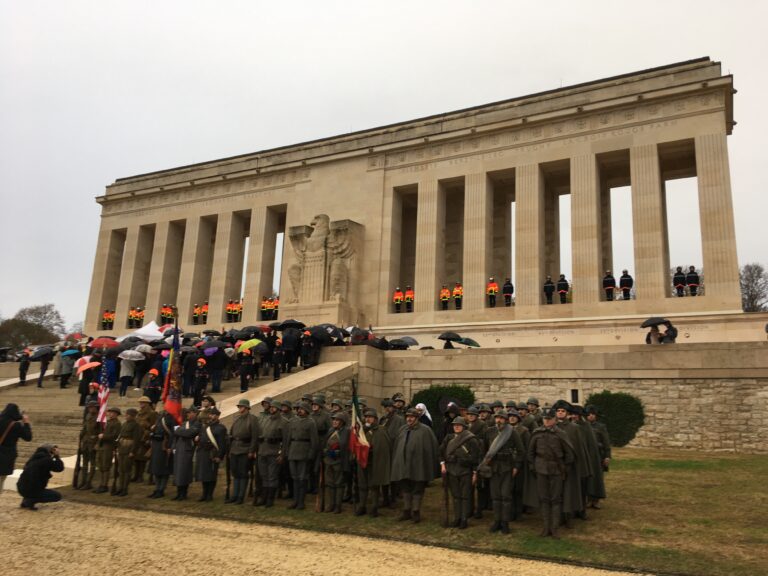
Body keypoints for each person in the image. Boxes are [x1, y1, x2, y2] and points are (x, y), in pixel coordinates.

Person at [527, 407, 574, 538]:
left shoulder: (561, 433)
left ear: (554, 419)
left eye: (549, 419)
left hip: (556, 470)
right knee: (544, 499)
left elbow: (569, 454)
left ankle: (554, 528)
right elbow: (530, 452)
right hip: (541, 469)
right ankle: (546, 527)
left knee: (555, 500)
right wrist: (533, 467)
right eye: (545, 419)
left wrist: (564, 469)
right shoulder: (536, 433)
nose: (547, 421)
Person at [390, 407, 439, 523]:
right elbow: (397, 447)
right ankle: (406, 511)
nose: (409, 419)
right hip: (403, 465)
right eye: (407, 417)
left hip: (418, 465)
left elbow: (431, 449)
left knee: (417, 488)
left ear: (417, 418)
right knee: (405, 488)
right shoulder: (402, 429)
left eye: (411, 417)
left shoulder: (425, 431)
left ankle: (416, 512)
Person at [479, 410, 525, 534]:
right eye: (497, 418)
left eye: (501, 418)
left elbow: (520, 451)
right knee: (495, 496)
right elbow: (484, 451)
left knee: (506, 496)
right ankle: (496, 521)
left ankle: (505, 523)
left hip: (507, 467)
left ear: (505, 420)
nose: (499, 420)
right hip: (493, 468)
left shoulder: (512, 432)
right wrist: (485, 465)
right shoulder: (489, 432)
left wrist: (516, 466)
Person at [440, 416, 482, 529]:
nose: (456, 427)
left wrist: (474, 473)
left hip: (465, 472)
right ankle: (457, 518)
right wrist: (443, 464)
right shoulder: (448, 438)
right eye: (455, 425)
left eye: (459, 425)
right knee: (456, 496)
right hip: (452, 471)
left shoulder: (471, 439)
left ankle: (464, 519)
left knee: (465, 497)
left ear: (464, 427)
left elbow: (475, 458)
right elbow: (440, 452)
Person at [357, 408, 391, 517]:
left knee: (374, 486)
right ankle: (362, 506)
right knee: (362, 485)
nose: (367, 419)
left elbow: (383, 448)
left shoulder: (381, 431)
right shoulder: (361, 430)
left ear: (375, 419)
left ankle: (374, 508)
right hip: (363, 462)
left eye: (370, 417)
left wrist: (371, 450)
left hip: (374, 462)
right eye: (366, 417)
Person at [285, 401, 319, 510]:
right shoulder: (292, 421)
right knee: (294, 478)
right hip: (293, 451)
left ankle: (301, 502)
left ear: (307, 411)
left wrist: (311, 454)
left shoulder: (311, 423)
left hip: (304, 452)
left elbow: (314, 441)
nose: (299, 410)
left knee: (302, 478)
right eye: (299, 408)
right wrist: (286, 451)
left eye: (302, 409)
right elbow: (288, 439)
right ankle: (295, 501)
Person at [227, 399, 260, 505]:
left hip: (245, 449)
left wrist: (251, 450)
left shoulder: (252, 419)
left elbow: (255, 437)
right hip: (235, 448)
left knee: (243, 474)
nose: (239, 408)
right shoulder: (236, 418)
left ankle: (241, 496)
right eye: (239, 406)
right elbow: (231, 434)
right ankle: (235, 495)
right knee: (235, 473)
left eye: (241, 406)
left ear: (246, 408)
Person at [256, 400, 285, 508]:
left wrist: (281, 454)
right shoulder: (266, 420)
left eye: (274, 407)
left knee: (272, 476)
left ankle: (270, 499)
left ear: (278, 409)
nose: (272, 409)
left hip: (274, 452)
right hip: (263, 450)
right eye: (271, 407)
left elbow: (285, 441)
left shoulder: (283, 422)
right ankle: (264, 497)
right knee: (264, 476)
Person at [17, 444, 64, 510]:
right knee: (57, 496)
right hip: (33, 489)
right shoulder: (47, 460)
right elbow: (59, 468)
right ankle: (30, 501)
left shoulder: (33, 458)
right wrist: (57, 456)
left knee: (32, 488)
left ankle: (26, 499)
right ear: (50, 451)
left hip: (21, 488)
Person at [196, 407, 227, 501]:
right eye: (211, 414)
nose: (212, 416)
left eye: (214, 415)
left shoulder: (221, 428)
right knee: (203, 475)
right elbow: (202, 437)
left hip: (212, 453)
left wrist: (219, 456)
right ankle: (204, 494)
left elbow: (222, 444)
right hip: (203, 453)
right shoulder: (206, 427)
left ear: (218, 416)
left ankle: (210, 495)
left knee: (211, 475)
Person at [0, 403, 32, 493]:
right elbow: (28, 437)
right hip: (6, 456)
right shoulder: (16, 425)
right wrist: (26, 423)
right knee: (1, 480)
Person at [322, 411, 350, 513]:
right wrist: (326, 451)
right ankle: (331, 505)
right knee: (329, 483)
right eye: (333, 419)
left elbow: (347, 447)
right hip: (328, 460)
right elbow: (325, 443)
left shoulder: (347, 432)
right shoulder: (330, 430)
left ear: (342, 422)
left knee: (339, 484)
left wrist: (339, 452)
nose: (334, 421)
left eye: (337, 420)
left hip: (339, 461)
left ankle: (338, 506)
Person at [172, 407, 199, 501]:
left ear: (195, 413)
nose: (188, 415)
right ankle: (179, 493)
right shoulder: (184, 423)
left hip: (187, 449)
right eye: (188, 413)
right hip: (179, 449)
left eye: (190, 413)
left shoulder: (197, 424)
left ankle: (184, 493)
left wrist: (180, 431)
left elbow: (189, 433)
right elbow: (176, 433)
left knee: (184, 472)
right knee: (178, 472)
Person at [115, 407, 143, 496]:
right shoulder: (124, 424)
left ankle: (125, 489)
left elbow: (137, 440)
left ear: (133, 416)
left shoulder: (136, 425)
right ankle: (120, 487)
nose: (126, 416)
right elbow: (120, 436)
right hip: (122, 448)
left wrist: (132, 451)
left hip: (129, 449)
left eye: (128, 415)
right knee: (121, 470)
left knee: (126, 470)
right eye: (126, 414)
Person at [148, 410, 175, 498]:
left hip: (164, 445)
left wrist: (170, 446)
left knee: (164, 469)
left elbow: (172, 434)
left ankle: (161, 489)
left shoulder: (171, 418)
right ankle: (157, 489)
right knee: (156, 468)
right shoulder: (159, 417)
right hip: (156, 445)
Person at [93, 407, 121, 494]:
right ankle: (101, 484)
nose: (111, 414)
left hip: (109, 446)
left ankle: (104, 485)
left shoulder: (117, 423)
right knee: (101, 466)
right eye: (110, 412)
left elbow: (115, 436)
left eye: (113, 413)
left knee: (106, 467)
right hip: (102, 446)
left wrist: (104, 436)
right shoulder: (107, 422)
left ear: (116, 414)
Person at [76, 401, 99, 490]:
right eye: (89, 407)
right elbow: (85, 428)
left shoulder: (99, 418)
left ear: (96, 408)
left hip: (93, 442)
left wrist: (97, 443)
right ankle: (83, 481)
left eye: (92, 407)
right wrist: (80, 438)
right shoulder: (88, 416)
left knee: (92, 463)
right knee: (84, 463)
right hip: (85, 441)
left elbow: (101, 432)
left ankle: (89, 482)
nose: (90, 409)